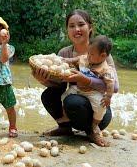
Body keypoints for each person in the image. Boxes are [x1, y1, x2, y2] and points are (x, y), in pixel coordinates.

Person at [31, 9, 119, 146]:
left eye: (81, 24)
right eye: (71, 26)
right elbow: (59, 86)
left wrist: (85, 79)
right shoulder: (65, 53)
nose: (76, 29)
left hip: (99, 108)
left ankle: (92, 131)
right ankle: (65, 128)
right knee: (48, 95)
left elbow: (115, 87)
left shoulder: (102, 54)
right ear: (67, 30)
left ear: (90, 28)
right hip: (75, 105)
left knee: (73, 101)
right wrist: (43, 80)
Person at [60, 35, 115, 146]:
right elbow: (77, 59)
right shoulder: (86, 58)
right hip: (78, 88)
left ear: (103, 56)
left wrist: (108, 97)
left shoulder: (105, 69)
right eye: (88, 53)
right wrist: (66, 60)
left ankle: (94, 125)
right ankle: (65, 117)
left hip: (93, 92)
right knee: (64, 96)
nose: (88, 56)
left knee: (100, 107)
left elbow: (111, 84)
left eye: (91, 54)